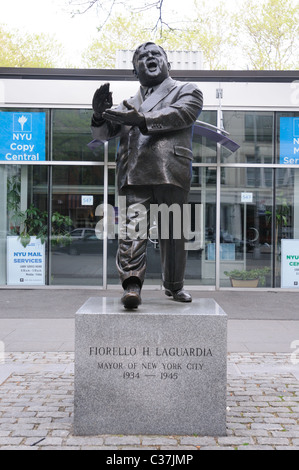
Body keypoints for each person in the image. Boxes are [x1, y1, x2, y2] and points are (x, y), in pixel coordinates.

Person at [91, 42, 203, 309]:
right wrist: (98, 116)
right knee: (132, 231)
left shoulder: (186, 90)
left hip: (171, 171)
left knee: (173, 232)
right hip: (134, 173)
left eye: (156, 54)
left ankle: (174, 286)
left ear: (168, 64)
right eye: (142, 57)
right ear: (134, 71)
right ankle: (132, 286)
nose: (150, 58)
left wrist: (140, 120)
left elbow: (181, 115)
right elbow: (104, 134)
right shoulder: (128, 103)